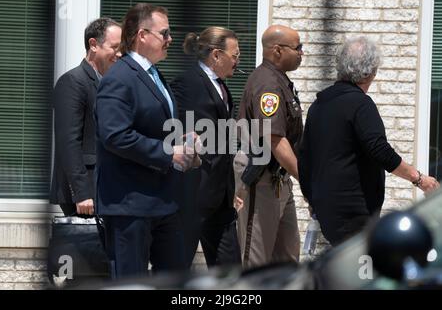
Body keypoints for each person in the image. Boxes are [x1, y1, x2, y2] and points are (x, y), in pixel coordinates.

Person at [298, 36, 440, 246]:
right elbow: (379, 149)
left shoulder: (319, 105)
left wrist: (312, 198)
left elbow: (305, 158)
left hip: (327, 210)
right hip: (354, 211)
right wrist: (419, 179)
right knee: (360, 271)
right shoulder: (361, 104)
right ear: (369, 73)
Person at [95, 3, 199, 279]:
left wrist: (183, 141)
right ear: (142, 35)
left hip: (164, 201)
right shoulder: (119, 77)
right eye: (164, 33)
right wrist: (169, 154)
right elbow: (115, 135)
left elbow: (154, 126)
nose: (170, 39)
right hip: (130, 205)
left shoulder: (154, 75)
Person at [170, 27, 241, 268]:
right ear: (216, 55)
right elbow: (179, 131)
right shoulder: (187, 83)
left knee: (230, 271)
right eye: (235, 55)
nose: (237, 61)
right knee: (177, 269)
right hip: (193, 196)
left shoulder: (222, 86)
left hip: (220, 199)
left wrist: (230, 190)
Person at [234, 25, 304, 268]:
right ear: (277, 50)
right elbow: (275, 140)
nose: (301, 53)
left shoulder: (279, 81)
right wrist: (306, 179)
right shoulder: (267, 85)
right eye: (298, 48)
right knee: (256, 262)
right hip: (261, 178)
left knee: (287, 259)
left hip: (279, 180)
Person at [50, 17, 121, 216]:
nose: (120, 53)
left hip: (109, 189)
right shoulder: (72, 82)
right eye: (114, 47)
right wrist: (82, 193)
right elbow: (68, 142)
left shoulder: (111, 84)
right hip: (85, 196)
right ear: (93, 45)